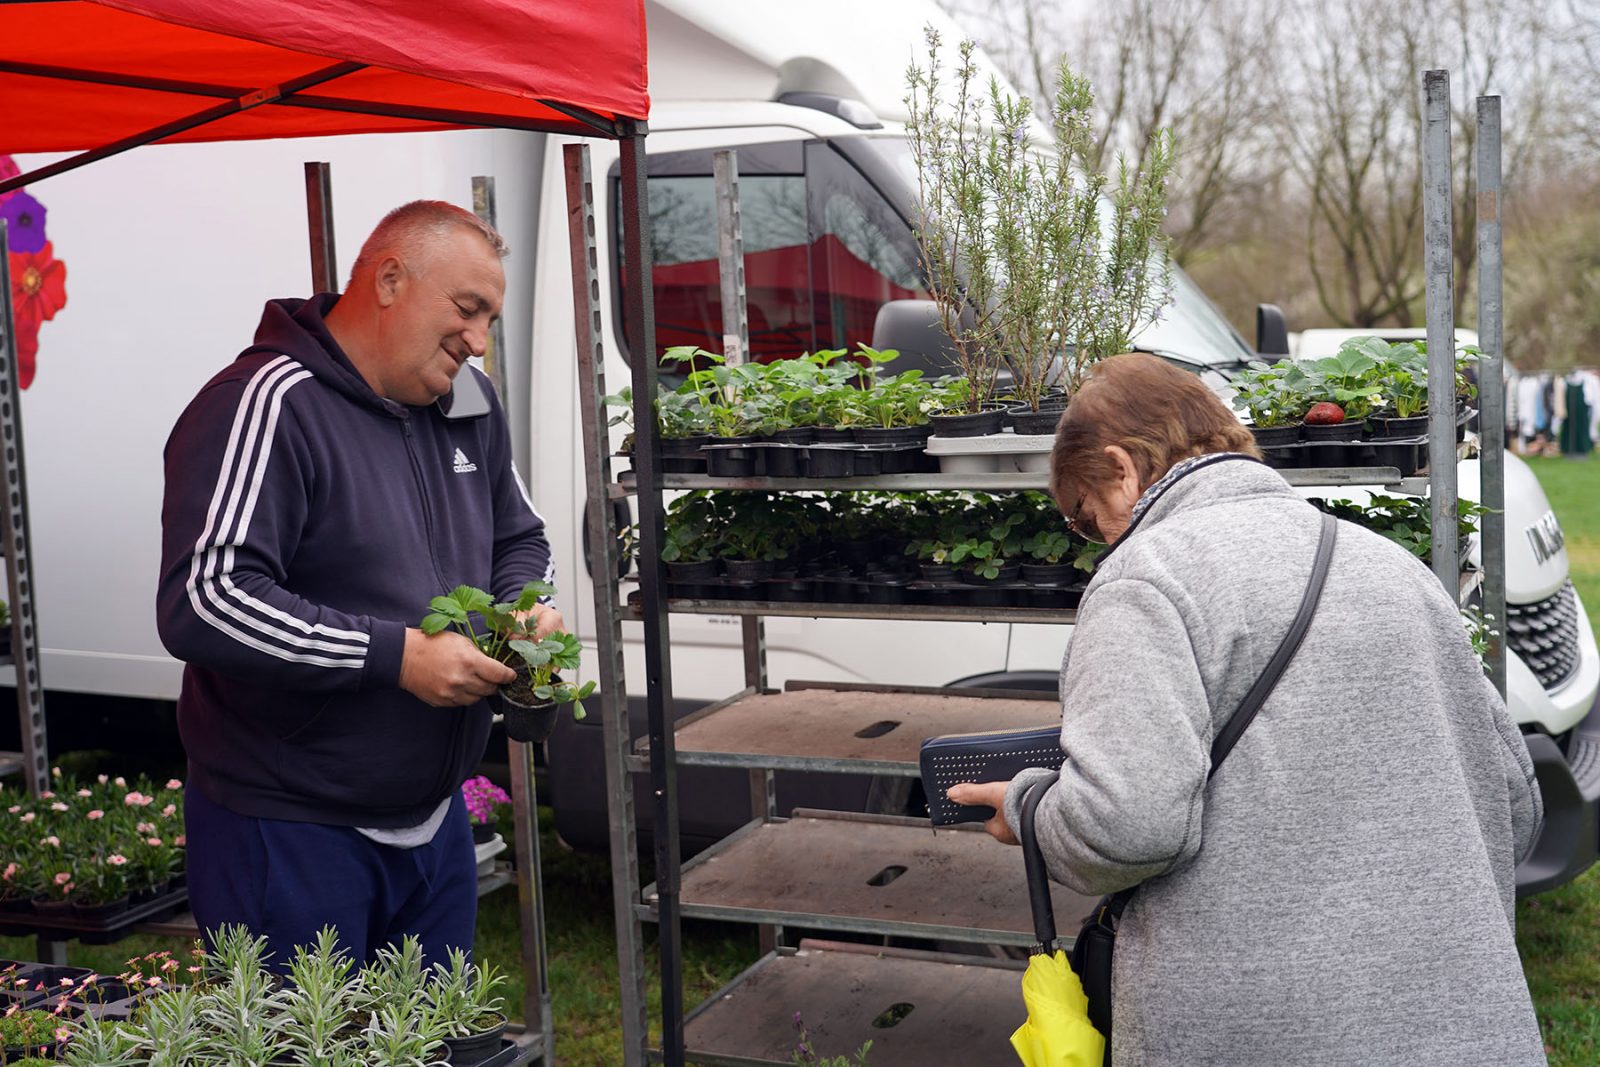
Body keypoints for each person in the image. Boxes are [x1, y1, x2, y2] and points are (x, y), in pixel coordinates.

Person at [950, 354, 1545, 1065]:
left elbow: (1126, 828)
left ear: (1121, 467)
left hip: (1267, 1033)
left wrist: (1031, 808)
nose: (1096, 537)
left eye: (1084, 516)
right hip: (1463, 1023)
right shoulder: (1394, 567)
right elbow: (1514, 804)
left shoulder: (1146, 580)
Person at [157, 201, 560, 970]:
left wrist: (525, 607)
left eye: (489, 320)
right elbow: (206, 598)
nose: (479, 340)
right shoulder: (265, 403)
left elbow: (520, 537)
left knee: (429, 1033)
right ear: (390, 280)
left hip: (434, 820)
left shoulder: (469, 402)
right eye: (467, 308)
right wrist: (396, 656)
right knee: (300, 1035)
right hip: (289, 829)